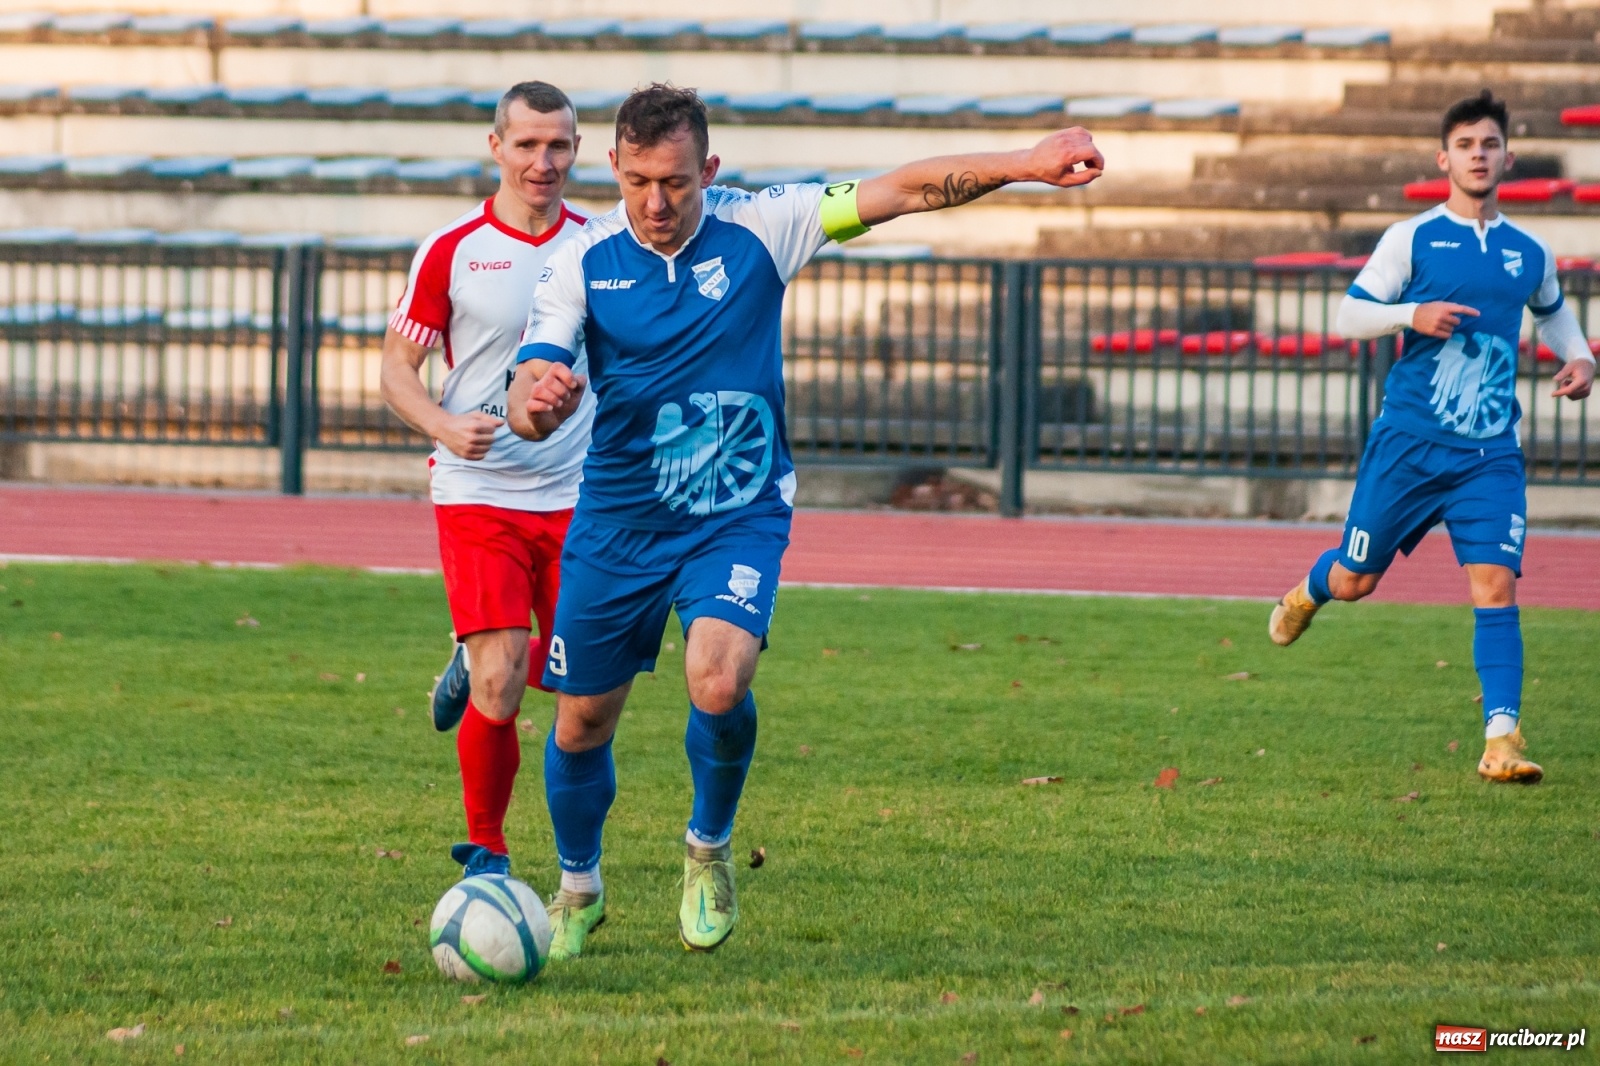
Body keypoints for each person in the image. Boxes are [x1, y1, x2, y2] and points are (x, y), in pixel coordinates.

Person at [504, 83, 1104, 958]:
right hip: (620, 519)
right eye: (637, 182)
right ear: (613, 169)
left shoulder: (765, 224)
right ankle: (578, 886)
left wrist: (1024, 165)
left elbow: (900, 189)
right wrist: (538, 405)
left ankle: (707, 852)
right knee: (581, 722)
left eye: (675, 181)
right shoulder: (579, 261)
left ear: (709, 169)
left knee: (719, 678)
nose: (656, 202)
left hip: (736, 512)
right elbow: (530, 387)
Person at [1269, 90, 1594, 784]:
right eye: (1467, 145)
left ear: (1507, 155)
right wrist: (1410, 313)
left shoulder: (1529, 253)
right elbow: (1348, 317)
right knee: (1357, 580)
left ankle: (1502, 741)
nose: (1480, 155)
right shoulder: (1411, 238)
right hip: (1409, 445)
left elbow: (1554, 317)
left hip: (1489, 454)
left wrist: (1583, 358)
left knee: (1497, 587)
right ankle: (1307, 592)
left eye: (1491, 144)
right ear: (1443, 158)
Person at [378, 81, 596, 879]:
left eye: (560, 146)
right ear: (495, 146)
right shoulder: (452, 248)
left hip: (581, 496)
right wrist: (441, 426)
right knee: (502, 681)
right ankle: (487, 853)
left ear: (579, 151)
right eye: (528, 144)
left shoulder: (602, 246)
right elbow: (397, 371)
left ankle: (470, 656)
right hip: (480, 494)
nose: (544, 162)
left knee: (588, 685)